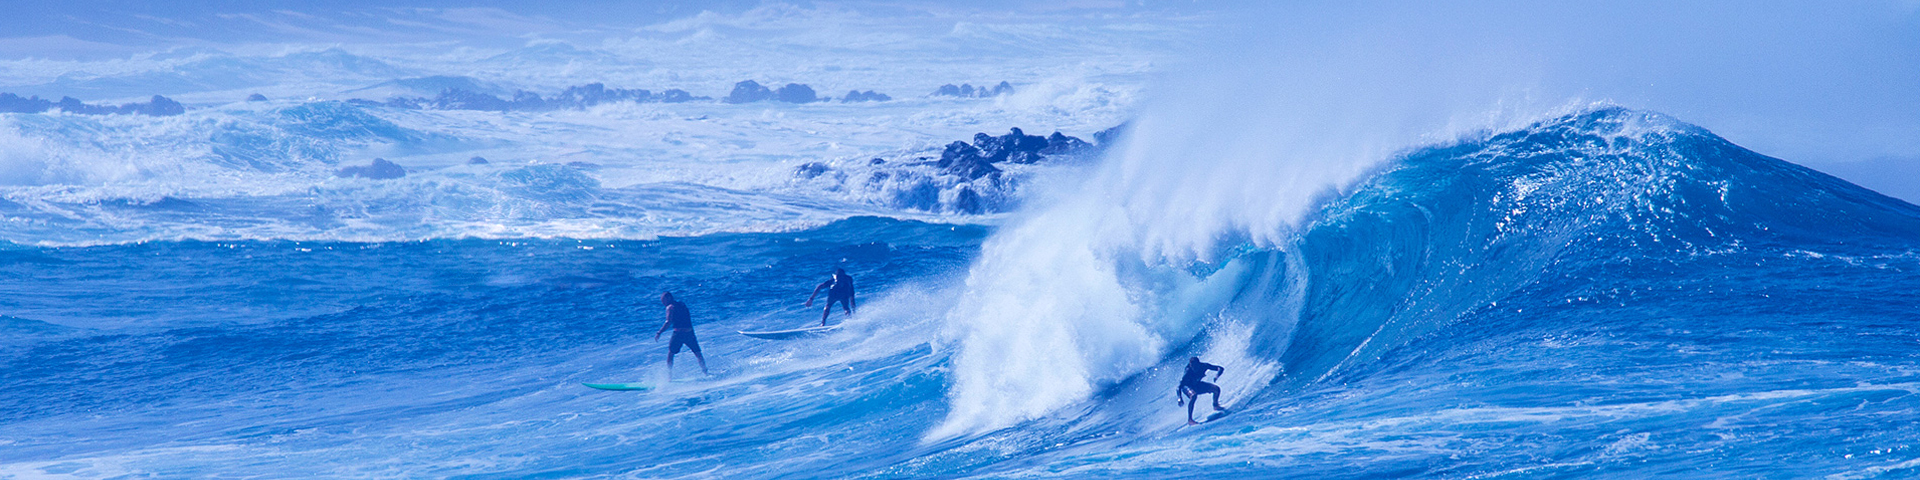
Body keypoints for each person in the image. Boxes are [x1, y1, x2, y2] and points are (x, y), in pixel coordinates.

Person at [654, 292, 708, 378]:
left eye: (663, 300)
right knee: (698, 353)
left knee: (670, 354)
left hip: (678, 334)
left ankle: (669, 377)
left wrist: (659, 332)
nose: (662, 303)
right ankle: (706, 373)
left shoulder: (670, 307)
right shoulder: (682, 304)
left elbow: (668, 322)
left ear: (668, 298)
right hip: (689, 333)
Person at [1176, 356, 1226, 425]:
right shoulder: (1188, 371)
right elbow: (1179, 386)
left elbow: (1220, 368)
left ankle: (1216, 405)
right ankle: (1190, 420)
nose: (1194, 368)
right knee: (1193, 396)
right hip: (1187, 387)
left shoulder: (1204, 366)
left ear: (1199, 364)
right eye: (1192, 367)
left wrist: (1217, 375)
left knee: (1216, 389)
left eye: (1195, 366)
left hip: (1197, 385)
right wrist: (1179, 398)